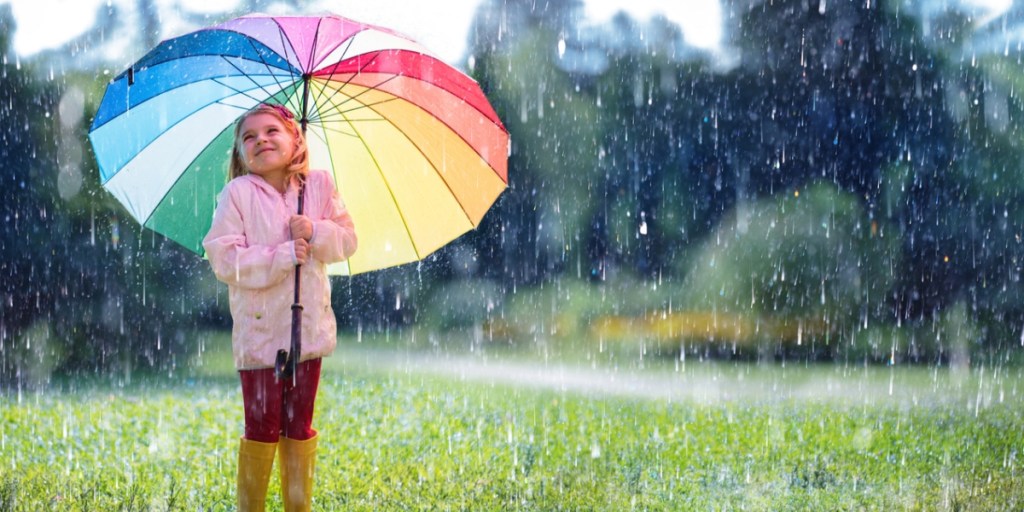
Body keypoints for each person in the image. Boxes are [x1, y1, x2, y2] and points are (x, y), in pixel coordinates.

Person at [203, 103, 357, 512]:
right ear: (240, 154)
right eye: (249, 138)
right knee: (262, 425)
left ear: (296, 140)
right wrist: (279, 256)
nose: (261, 141)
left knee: (298, 425)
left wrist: (316, 231)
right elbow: (223, 258)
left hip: (308, 334)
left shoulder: (319, 187)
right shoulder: (236, 194)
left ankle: (297, 507)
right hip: (259, 337)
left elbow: (347, 240)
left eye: (272, 131)